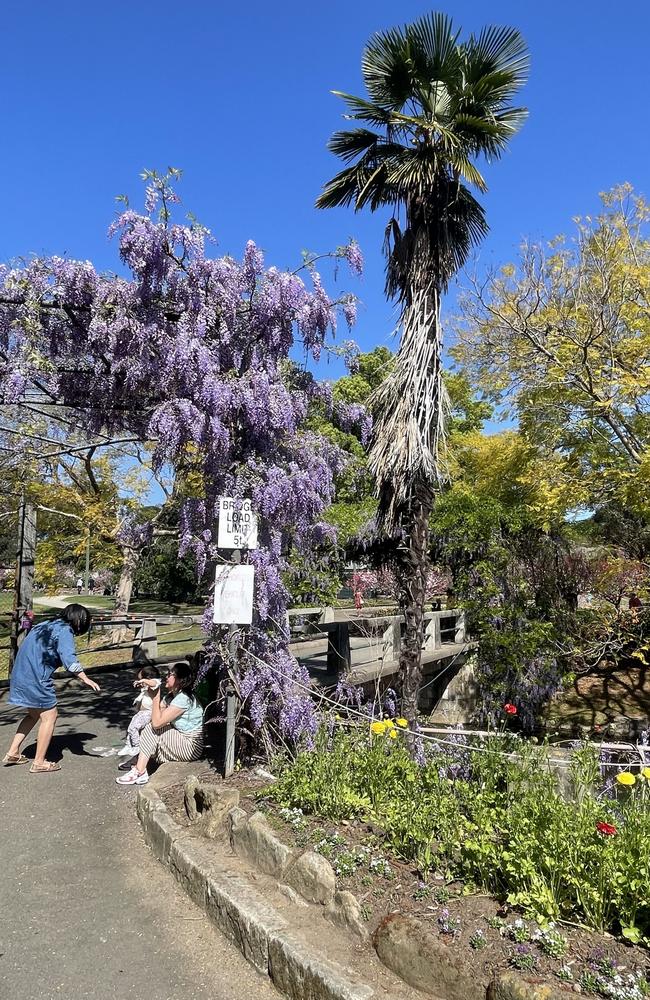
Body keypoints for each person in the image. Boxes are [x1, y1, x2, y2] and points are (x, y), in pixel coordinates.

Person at [3, 604, 100, 773]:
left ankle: (13, 752)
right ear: (78, 619)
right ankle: (39, 762)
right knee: (50, 716)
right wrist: (85, 678)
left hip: (21, 674)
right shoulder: (64, 630)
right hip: (36, 678)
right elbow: (69, 658)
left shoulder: (46, 624)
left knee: (33, 715)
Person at [116, 661, 203, 785]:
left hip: (190, 746)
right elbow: (158, 716)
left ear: (179, 680)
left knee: (151, 729)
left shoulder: (183, 699)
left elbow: (156, 723)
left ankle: (139, 770)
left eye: (171, 674)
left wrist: (156, 697)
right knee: (148, 726)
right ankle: (140, 767)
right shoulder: (171, 696)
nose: (167, 676)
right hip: (181, 739)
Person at [117, 664, 161, 757]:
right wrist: (141, 683)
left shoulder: (155, 683)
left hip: (148, 713)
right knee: (130, 728)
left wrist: (144, 681)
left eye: (141, 680)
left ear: (148, 678)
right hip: (141, 713)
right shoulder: (145, 688)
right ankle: (128, 745)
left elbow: (154, 683)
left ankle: (137, 746)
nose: (140, 683)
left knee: (134, 728)